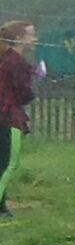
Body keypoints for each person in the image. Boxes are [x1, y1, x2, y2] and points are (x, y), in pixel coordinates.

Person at [0, 19, 36, 217]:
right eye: (31, 34)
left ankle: (2, 207)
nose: (35, 39)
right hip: (8, 118)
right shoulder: (17, 62)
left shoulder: (4, 58)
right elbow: (23, 95)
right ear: (20, 38)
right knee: (7, 165)